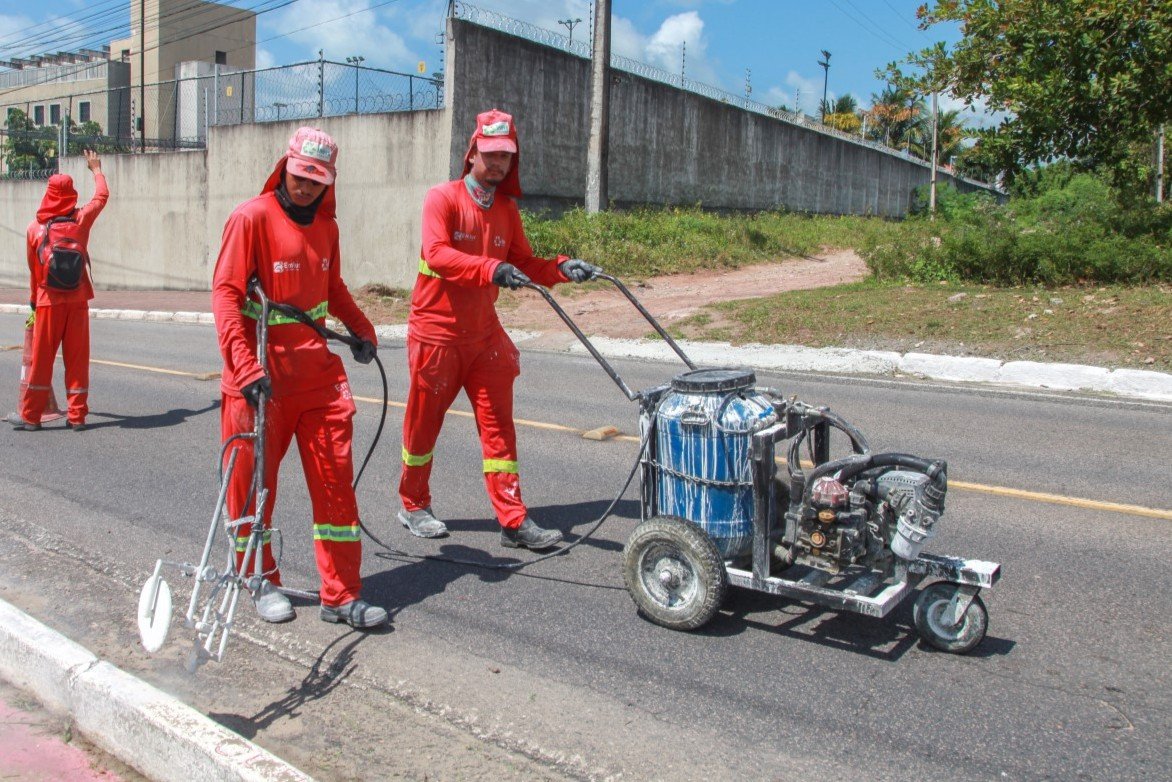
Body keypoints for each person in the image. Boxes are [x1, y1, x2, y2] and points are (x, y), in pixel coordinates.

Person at [398, 108, 602, 550]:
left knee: (498, 427)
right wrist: (492, 269)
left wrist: (565, 267)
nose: (497, 164)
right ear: (472, 152)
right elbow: (436, 254)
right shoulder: (443, 198)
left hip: (484, 335)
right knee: (422, 427)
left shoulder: (507, 210)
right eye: (489, 155)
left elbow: (526, 263)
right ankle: (413, 504)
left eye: (505, 157)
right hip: (436, 334)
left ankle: (513, 520)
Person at [212, 127, 386, 629]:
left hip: (317, 378)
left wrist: (361, 329)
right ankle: (259, 579)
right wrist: (244, 366)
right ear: (284, 168)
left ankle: (342, 594)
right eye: (299, 177)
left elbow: (333, 287)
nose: (306, 188)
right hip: (260, 381)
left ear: (329, 182)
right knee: (253, 489)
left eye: (317, 181)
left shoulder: (327, 228)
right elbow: (225, 296)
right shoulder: (251, 218)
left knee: (335, 488)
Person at [16, 150, 108, 432]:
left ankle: (31, 416)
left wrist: (33, 301)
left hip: (47, 300)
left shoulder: (35, 228)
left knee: (42, 360)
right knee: (77, 359)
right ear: (71, 193)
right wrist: (96, 169)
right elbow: (101, 197)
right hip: (78, 299)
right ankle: (77, 416)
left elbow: (35, 271)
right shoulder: (80, 220)